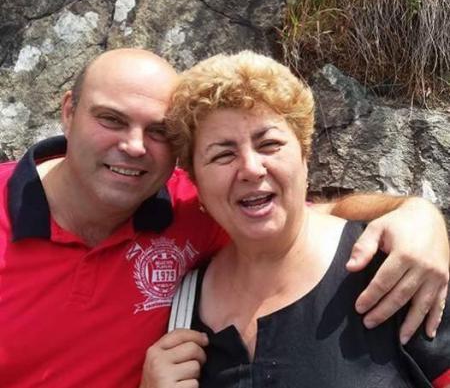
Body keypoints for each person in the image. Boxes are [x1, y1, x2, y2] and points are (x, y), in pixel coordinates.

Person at [0, 48, 448, 388]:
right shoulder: (201, 251)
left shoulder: (388, 270)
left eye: (157, 131)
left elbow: (302, 215)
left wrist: (418, 214)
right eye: (111, 120)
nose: (134, 146)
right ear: (68, 112)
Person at [141, 51, 450, 387]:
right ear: (197, 184)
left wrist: (422, 212)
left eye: (269, 144)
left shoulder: (395, 267)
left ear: (304, 157)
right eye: (223, 154)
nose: (251, 168)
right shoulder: (183, 306)